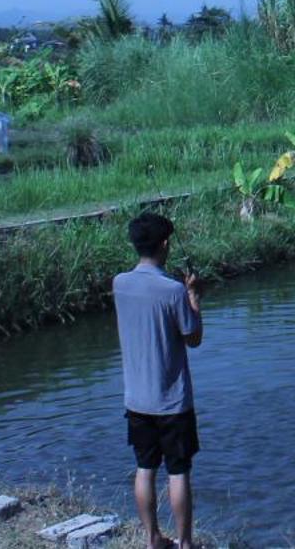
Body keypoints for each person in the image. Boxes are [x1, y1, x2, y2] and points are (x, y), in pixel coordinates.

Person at [114, 211, 204, 549]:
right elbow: (192, 338)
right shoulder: (173, 291)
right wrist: (194, 295)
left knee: (144, 468)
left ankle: (152, 539)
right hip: (172, 402)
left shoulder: (119, 283)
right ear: (165, 244)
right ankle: (184, 543)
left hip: (136, 400)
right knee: (178, 472)